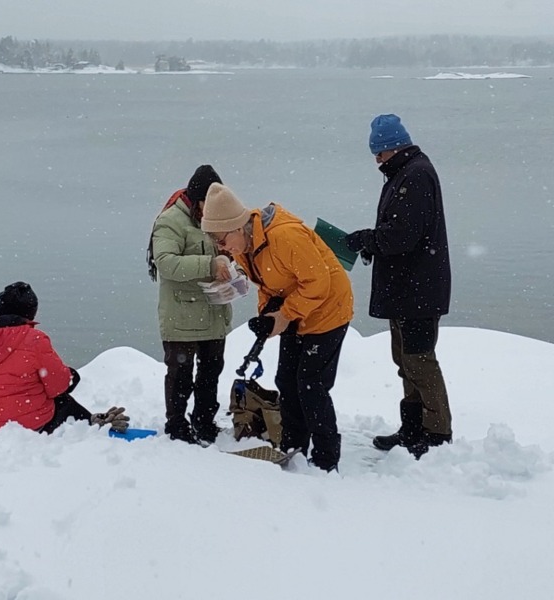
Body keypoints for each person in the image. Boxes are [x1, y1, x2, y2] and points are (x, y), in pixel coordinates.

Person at [201, 183, 354, 472]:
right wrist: (268, 314)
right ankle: (293, 444)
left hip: (328, 311)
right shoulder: (246, 244)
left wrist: (284, 316)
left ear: (236, 227)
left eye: (222, 241)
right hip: (297, 310)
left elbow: (318, 283)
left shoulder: (285, 236)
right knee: (286, 380)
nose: (223, 249)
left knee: (311, 385)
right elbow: (268, 282)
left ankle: (325, 458)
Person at [346, 113, 453, 458]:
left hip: (419, 291)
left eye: (379, 153)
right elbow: (400, 232)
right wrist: (372, 241)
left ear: (394, 147)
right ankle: (412, 428)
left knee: (419, 360)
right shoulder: (405, 173)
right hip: (409, 289)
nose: (377, 160)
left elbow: (404, 235)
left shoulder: (415, 175)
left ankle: (436, 433)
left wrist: (368, 239)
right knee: (405, 360)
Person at [0, 281, 128, 434]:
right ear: (33, 312)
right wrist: (71, 376)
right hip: (24, 423)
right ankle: (93, 424)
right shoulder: (34, 339)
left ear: (1, 308)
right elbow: (58, 386)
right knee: (62, 398)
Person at [148, 165, 233, 444]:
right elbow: (166, 263)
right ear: (196, 200)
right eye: (207, 205)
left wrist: (234, 274)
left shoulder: (216, 217)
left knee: (211, 373)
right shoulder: (171, 221)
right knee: (180, 376)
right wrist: (209, 264)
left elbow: (230, 251)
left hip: (213, 311)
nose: (211, 212)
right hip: (181, 315)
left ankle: (205, 421)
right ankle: (176, 426)